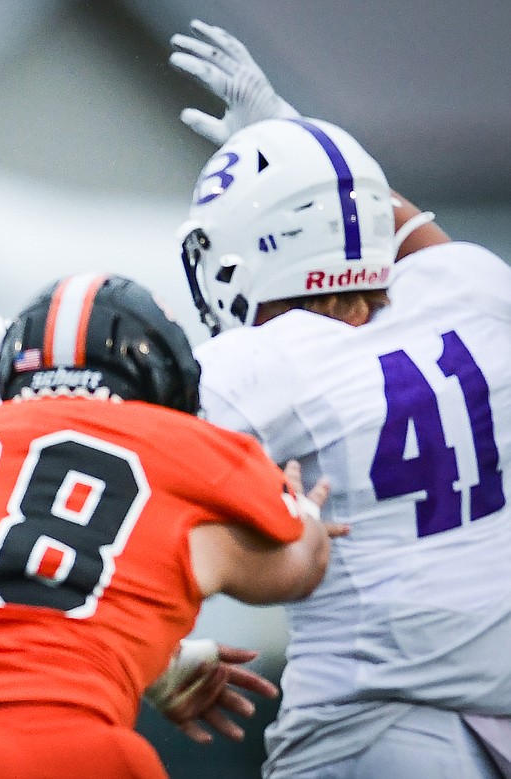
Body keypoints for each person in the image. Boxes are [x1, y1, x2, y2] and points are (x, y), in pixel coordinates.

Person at [169, 20, 511, 779]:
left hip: (367, 726)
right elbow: (403, 226)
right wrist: (302, 140)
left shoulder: (258, 364)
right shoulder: (473, 288)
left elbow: (104, 495)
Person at [0, 273, 334, 779]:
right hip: (63, 742)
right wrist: (305, 514)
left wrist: (158, 659)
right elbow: (293, 570)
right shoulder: (183, 445)